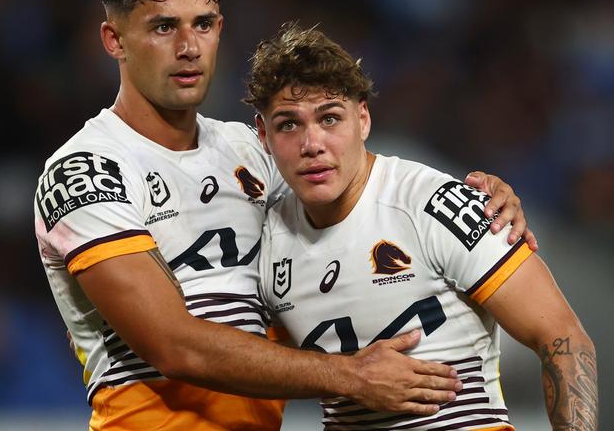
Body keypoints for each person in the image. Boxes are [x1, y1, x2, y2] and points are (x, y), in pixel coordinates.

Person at [34, 0, 537, 430]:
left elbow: (371, 190)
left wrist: (478, 198)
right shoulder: (84, 171)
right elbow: (173, 346)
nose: (188, 48)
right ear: (114, 39)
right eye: (163, 27)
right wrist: (351, 376)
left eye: (203, 24)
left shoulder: (253, 152)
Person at [248, 22, 598, 430]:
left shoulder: (435, 205)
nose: (312, 144)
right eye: (289, 124)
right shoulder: (266, 238)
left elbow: (563, 338)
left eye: (330, 118)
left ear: (362, 119)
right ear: (263, 134)